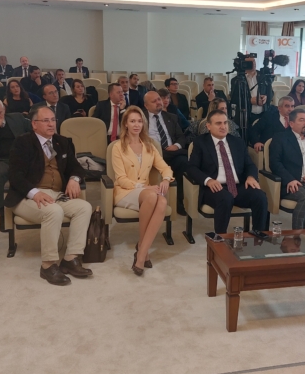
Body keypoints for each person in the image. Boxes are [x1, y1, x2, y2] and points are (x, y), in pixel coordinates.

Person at [4, 106, 93, 286]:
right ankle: (48, 265)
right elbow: (15, 176)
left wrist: (74, 179)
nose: (51, 124)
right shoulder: (22, 143)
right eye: (46, 121)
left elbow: (76, 167)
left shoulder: (62, 142)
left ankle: (71, 258)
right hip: (26, 196)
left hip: (56, 194)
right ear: (34, 124)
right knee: (53, 211)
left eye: (53, 120)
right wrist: (35, 193)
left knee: (84, 207)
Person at [111, 106, 173, 275]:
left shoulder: (149, 146)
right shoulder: (118, 147)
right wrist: (144, 187)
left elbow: (165, 168)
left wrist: (166, 179)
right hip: (125, 191)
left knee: (162, 201)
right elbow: (121, 179)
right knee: (153, 196)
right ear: (125, 124)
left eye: (139, 121)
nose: (136, 125)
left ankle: (141, 250)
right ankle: (142, 255)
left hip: (146, 194)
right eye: (132, 121)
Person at [187, 110, 268, 234]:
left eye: (225, 123)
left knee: (260, 196)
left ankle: (258, 234)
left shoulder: (238, 142)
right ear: (208, 126)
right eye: (218, 123)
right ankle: (221, 237)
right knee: (226, 198)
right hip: (214, 187)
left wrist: (251, 177)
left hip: (237, 186)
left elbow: (249, 165)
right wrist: (208, 181)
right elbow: (192, 168)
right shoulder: (200, 142)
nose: (223, 126)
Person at [143, 91, 188, 215]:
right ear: (146, 105)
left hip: (171, 152)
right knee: (182, 155)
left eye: (159, 99)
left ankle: (179, 202)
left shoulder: (171, 117)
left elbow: (181, 137)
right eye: (154, 101)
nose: (159, 102)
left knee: (183, 162)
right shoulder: (141, 118)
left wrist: (176, 146)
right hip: (150, 154)